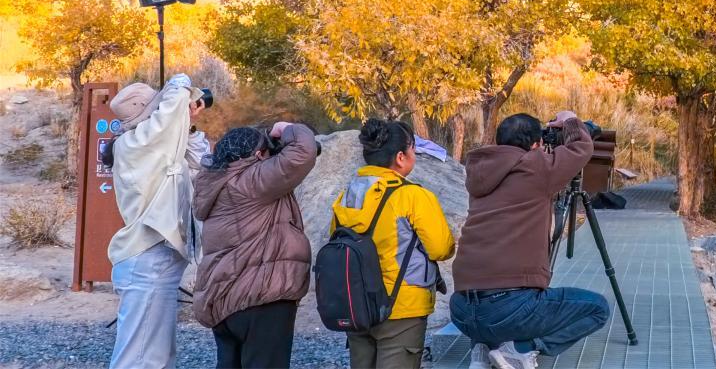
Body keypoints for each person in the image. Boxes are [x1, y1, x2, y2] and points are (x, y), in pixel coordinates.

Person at [450, 111, 611, 369]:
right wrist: (569, 121)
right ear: (535, 145)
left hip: (460, 310)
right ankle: (520, 349)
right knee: (598, 309)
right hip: (506, 310)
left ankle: (482, 348)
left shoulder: (480, 173)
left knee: (490, 285)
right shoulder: (536, 168)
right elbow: (581, 148)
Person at [191, 122, 319, 369]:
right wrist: (285, 128)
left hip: (223, 296)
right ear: (259, 155)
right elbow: (303, 151)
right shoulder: (251, 181)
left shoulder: (215, 180)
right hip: (260, 298)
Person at [331, 118, 456, 369]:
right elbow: (441, 248)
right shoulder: (413, 196)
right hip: (402, 307)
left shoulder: (349, 194)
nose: (414, 153)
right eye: (413, 148)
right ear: (400, 156)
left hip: (358, 303)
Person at [108, 74, 210, 369]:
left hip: (156, 262)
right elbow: (169, 110)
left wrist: (187, 125)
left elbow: (202, 161)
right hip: (145, 262)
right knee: (138, 359)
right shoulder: (134, 144)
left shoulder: (156, 147)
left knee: (159, 357)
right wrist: (178, 85)